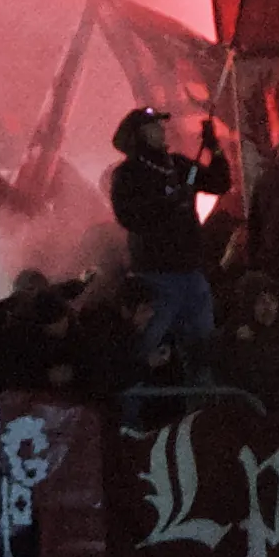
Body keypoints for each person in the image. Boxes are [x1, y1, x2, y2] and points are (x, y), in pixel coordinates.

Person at [108, 107, 223, 374]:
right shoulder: (127, 175)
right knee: (150, 343)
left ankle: (201, 406)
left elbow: (219, 183)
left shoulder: (179, 165)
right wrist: (168, 202)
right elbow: (128, 217)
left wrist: (213, 149)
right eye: (154, 127)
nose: (162, 130)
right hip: (155, 276)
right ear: (140, 135)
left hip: (191, 271)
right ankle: (140, 404)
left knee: (203, 345)